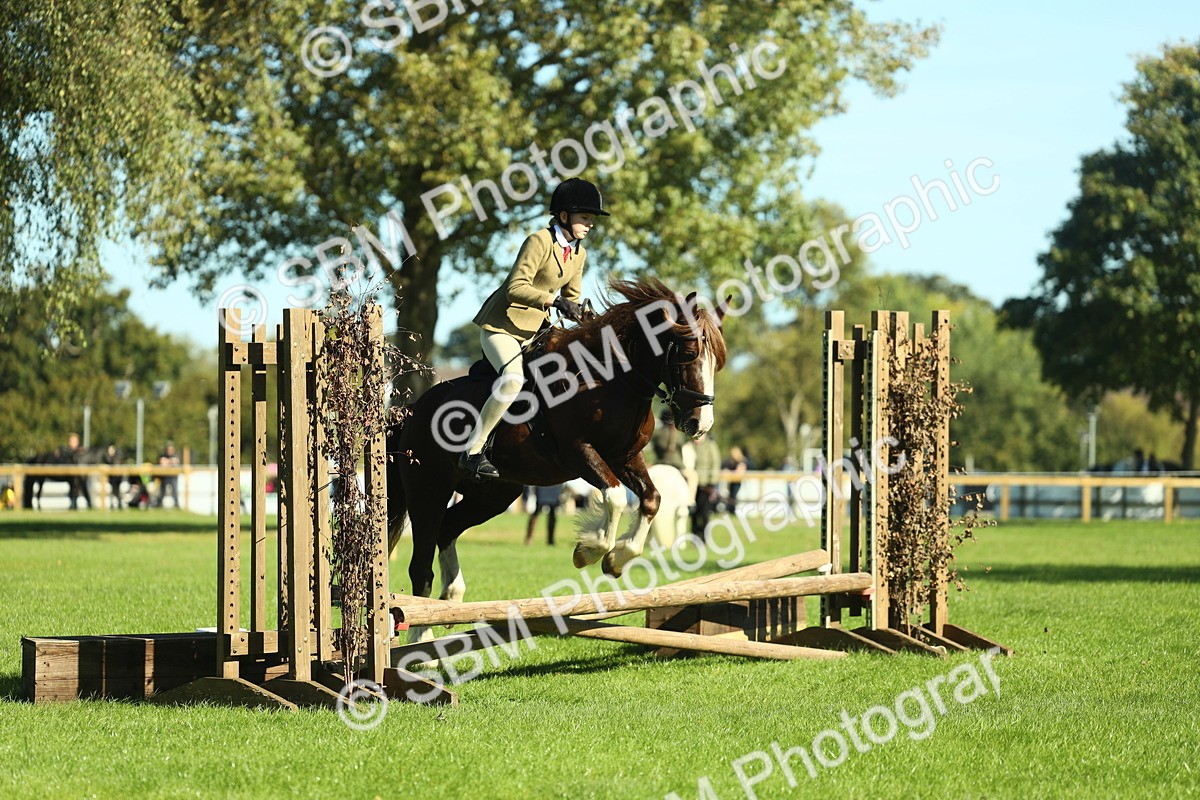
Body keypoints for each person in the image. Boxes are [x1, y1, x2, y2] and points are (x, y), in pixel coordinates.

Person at [460, 177, 610, 480]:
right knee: (514, 380)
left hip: (534, 332)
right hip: (501, 327)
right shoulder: (539, 241)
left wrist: (588, 318)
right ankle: (472, 451)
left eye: (592, 219)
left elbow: (572, 301)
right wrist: (554, 300)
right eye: (585, 218)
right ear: (564, 216)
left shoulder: (579, 253)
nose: (590, 225)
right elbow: (516, 287)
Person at [690, 432, 722, 542]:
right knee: (693, 514)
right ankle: (694, 537)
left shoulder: (711, 446)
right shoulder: (690, 447)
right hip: (693, 486)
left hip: (706, 486)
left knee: (704, 514)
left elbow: (715, 464)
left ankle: (704, 539)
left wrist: (711, 483)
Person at [723, 446, 750, 514]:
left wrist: (730, 473)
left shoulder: (742, 461)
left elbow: (739, 472)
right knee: (731, 496)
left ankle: (732, 510)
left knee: (733, 496)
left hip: (738, 481)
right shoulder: (731, 462)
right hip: (732, 481)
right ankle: (731, 509)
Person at [156, 442, 181, 508]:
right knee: (162, 491)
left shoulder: (175, 456)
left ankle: (176, 505)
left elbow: (176, 463)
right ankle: (159, 504)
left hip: (173, 476)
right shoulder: (163, 456)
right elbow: (162, 463)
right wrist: (170, 462)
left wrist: (168, 462)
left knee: (174, 491)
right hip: (164, 476)